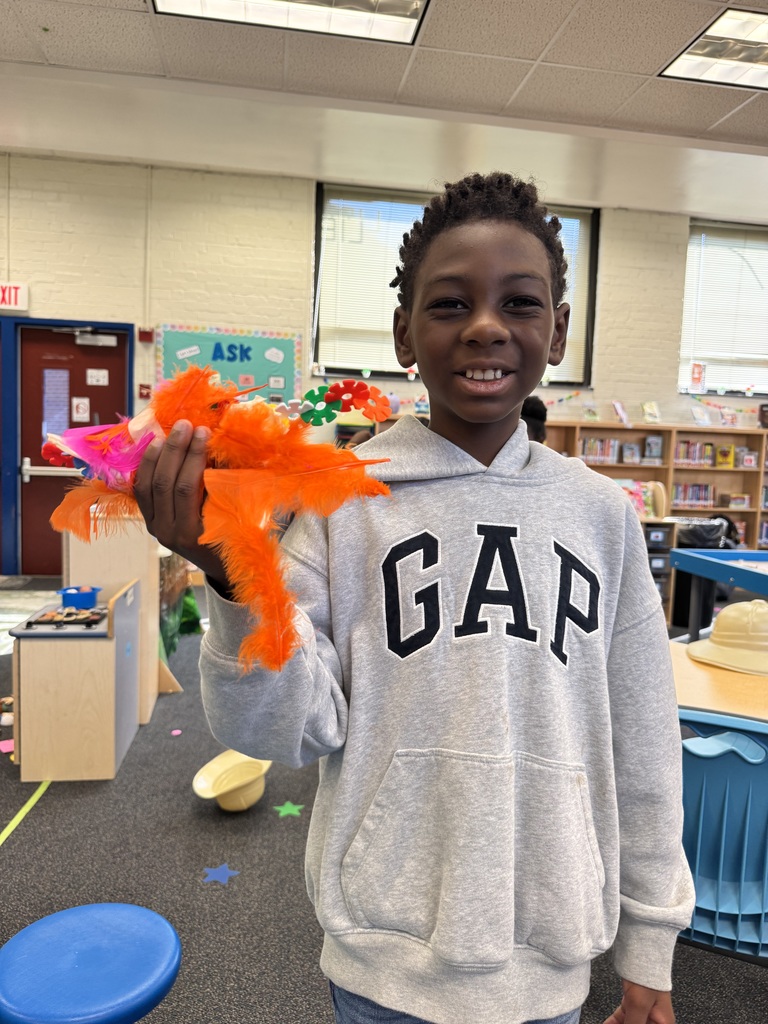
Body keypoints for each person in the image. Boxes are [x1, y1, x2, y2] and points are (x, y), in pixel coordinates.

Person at [134, 171, 694, 1024]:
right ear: (403, 331)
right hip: (382, 963)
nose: (485, 328)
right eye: (448, 304)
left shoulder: (598, 517)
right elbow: (281, 730)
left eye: (519, 303)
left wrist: (650, 940)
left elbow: (645, 743)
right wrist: (235, 576)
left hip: (548, 956)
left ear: (558, 328)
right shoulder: (339, 505)